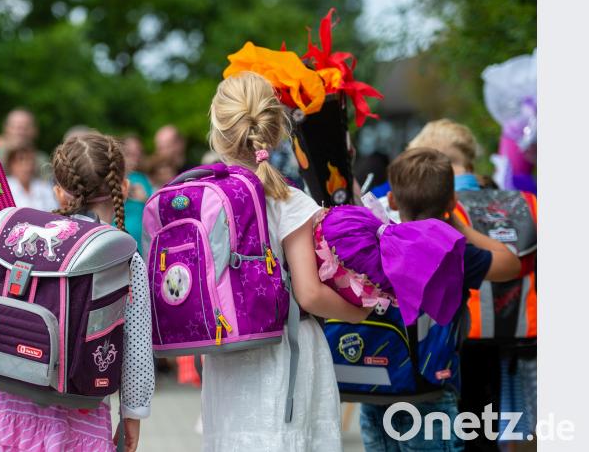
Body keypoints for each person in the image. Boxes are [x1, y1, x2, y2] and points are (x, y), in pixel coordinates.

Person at [201, 72, 371, 451]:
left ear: (217, 127)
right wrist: (357, 313)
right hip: (285, 349)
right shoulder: (289, 201)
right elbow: (309, 294)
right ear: (277, 127)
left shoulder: (206, 197)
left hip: (225, 350)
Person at [0, 132, 154, 452]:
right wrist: (132, 416)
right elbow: (137, 349)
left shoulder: (27, 243)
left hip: (15, 408)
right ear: (123, 188)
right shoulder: (125, 257)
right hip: (82, 412)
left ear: (59, 193)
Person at [359, 147, 521, 452]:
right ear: (451, 202)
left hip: (376, 391)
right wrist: (458, 225)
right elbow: (510, 263)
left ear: (392, 200)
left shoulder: (376, 243)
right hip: (429, 393)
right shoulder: (453, 252)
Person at [409, 120, 537, 452]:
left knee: (452, 426)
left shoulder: (439, 206)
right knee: (488, 426)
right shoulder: (515, 203)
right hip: (509, 326)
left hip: (453, 336)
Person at [122, 135, 154, 253]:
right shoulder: (114, 178)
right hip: (121, 238)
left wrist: (145, 199)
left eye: (138, 152)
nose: (135, 157)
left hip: (143, 241)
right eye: (130, 153)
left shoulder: (143, 178)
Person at [5, 146, 59, 211]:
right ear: (11, 165)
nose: (26, 167)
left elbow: (54, 211)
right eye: (21, 161)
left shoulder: (44, 187)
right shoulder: (4, 188)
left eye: (30, 161)